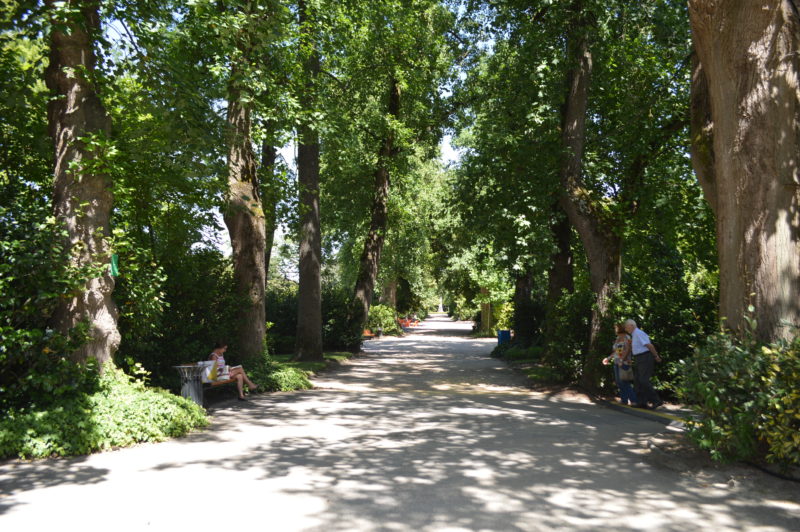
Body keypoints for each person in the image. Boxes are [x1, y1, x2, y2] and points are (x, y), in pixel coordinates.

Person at [624, 319, 663, 409]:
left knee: (643, 380)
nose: (626, 329)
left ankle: (656, 400)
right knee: (637, 380)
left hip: (645, 357)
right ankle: (641, 402)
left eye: (626, 327)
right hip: (639, 358)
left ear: (632, 325)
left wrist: (656, 356)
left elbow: (649, 345)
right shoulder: (634, 335)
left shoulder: (639, 333)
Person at [602, 323, 637, 405]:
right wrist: (608, 358)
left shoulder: (627, 337)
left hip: (624, 362)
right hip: (617, 362)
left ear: (620, 329)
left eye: (616, 328)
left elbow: (628, 349)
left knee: (624, 382)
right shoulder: (618, 338)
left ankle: (634, 400)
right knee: (619, 382)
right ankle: (624, 400)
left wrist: (622, 360)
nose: (615, 330)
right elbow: (616, 351)